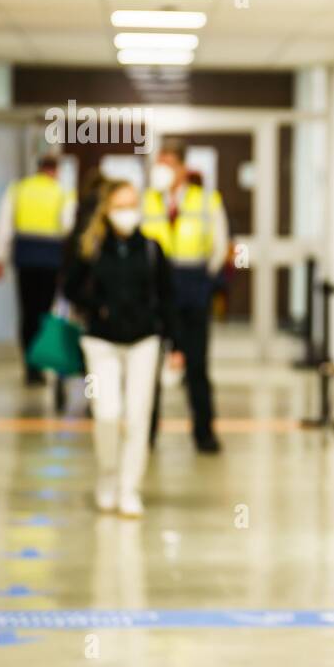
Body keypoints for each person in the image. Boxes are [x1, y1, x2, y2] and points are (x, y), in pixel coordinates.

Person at [64, 180, 182, 518]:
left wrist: (174, 343)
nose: (127, 212)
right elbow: (70, 288)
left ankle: (129, 488)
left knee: (138, 415)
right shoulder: (92, 246)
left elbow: (167, 297)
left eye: (133, 204)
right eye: (120, 205)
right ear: (107, 210)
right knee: (106, 413)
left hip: (144, 340)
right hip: (100, 341)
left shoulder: (151, 249)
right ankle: (108, 476)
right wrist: (96, 307)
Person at [141, 144, 229, 453]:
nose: (161, 170)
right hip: (155, 293)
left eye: (167, 164)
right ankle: (145, 433)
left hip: (192, 290)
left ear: (181, 167)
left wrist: (204, 281)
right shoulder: (147, 200)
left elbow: (219, 246)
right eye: (158, 164)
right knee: (149, 366)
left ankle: (204, 434)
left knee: (197, 368)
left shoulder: (206, 200)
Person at [0, 154, 76, 384]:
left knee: (27, 312)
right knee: (44, 313)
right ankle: (39, 362)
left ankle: (30, 366)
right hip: (50, 260)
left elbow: (3, 225)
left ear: (38, 168)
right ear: (55, 171)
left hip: (25, 257)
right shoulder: (62, 193)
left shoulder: (19, 189)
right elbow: (68, 226)